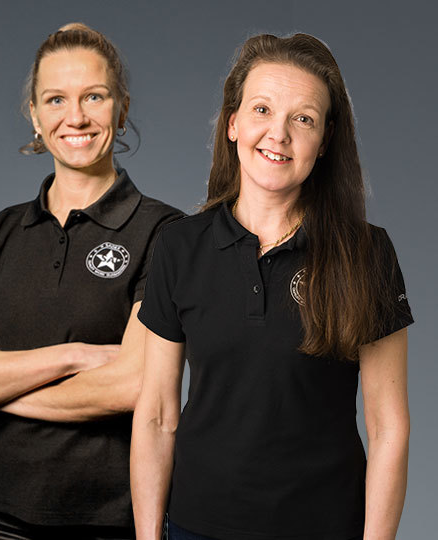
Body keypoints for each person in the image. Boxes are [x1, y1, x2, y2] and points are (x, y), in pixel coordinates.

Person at [131, 33, 413, 540]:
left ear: (324, 141)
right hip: (196, 526)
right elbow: (156, 415)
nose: (278, 134)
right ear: (233, 123)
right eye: (262, 109)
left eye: (303, 119)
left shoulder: (367, 253)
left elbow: (388, 428)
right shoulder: (179, 246)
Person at [0, 23, 183, 540]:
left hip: (109, 517)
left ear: (122, 109)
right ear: (36, 117)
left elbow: (133, 384)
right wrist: (74, 356)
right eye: (56, 99)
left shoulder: (165, 233)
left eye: (94, 96)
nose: (76, 116)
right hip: (0, 513)